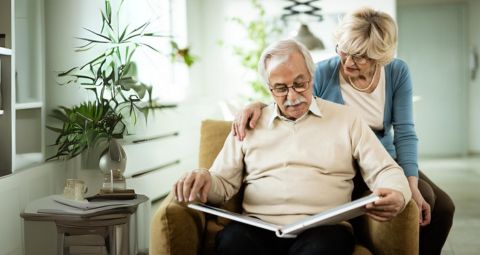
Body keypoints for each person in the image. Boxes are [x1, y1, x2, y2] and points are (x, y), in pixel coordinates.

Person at [232, 7, 455, 255]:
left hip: (380, 156)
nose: (348, 62)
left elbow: (404, 131)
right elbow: (291, 98)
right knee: (423, 197)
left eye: (360, 56)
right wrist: (257, 105)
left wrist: (410, 182)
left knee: (443, 207)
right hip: (345, 157)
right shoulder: (325, 71)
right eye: (343, 50)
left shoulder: (396, 72)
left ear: (378, 55)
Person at [173, 39, 411, 255]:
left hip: (324, 229)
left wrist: (397, 192)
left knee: (322, 248)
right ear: (269, 88)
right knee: (233, 242)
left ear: (312, 76)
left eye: (300, 84)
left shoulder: (347, 119)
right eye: (281, 88)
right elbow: (222, 183)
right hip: (258, 228)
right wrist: (204, 177)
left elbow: (385, 170)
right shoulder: (249, 124)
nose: (292, 96)